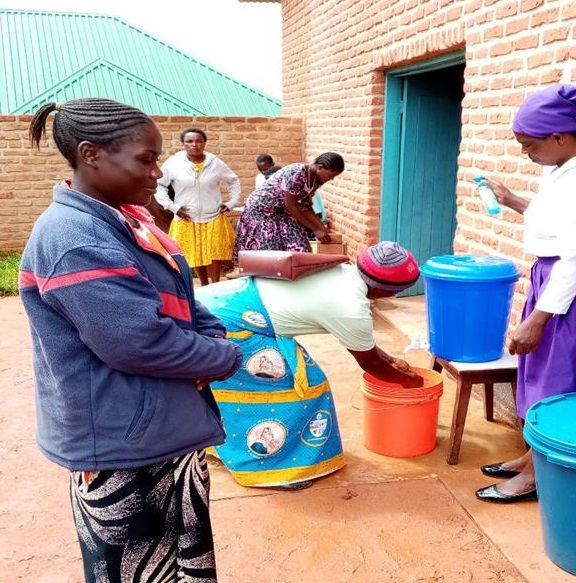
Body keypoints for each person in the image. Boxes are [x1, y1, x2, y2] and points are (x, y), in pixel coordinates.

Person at [18, 98, 243, 582]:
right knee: (140, 571)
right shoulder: (76, 238)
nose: (157, 173)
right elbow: (139, 342)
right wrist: (223, 357)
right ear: (91, 155)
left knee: (184, 562)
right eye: (146, 159)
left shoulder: (124, 221)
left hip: (160, 430)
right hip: (123, 446)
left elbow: (182, 296)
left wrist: (210, 337)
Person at [475, 83, 576, 504]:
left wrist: (537, 319)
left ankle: (537, 474)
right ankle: (534, 454)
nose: (525, 152)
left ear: (559, 137)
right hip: (564, 279)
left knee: (561, 373)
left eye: (530, 145)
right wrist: (512, 200)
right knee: (545, 368)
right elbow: (556, 224)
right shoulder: (561, 169)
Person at [195, 241, 424, 490]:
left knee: (254, 390)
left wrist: (391, 360)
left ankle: (223, 443)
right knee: (297, 391)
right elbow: (370, 363)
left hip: (223, 302)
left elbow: (367, 350)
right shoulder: (350, 308)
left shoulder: (342, 272)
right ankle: (274, 469)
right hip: (229, 325)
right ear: (389, 291)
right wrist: (409, 382)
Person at [155, 127, 241, 285]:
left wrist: (230, 203)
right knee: (196, 252)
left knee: (214, 252)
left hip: (213, 215)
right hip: (187, 216)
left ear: (204, 143)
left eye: (198, 141)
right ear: (183, 144)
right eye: (189, 141)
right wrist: (172, 206)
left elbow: (233, 181)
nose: (194, 144)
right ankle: (204, 283)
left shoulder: (215, 163)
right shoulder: (173, 164)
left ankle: (214, 284)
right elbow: (159, 186)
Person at [233, 152, 342, 261]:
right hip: (261, 210)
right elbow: (291, 206)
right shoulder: (297, 173)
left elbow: (305, 206)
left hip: (282, 211)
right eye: (330, 175)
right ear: (320, 167)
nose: (331, 179)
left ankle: (297, 273)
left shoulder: (316, 180)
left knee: (299, 247)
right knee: (269, 251)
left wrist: (322, 228)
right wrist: (315, 229)